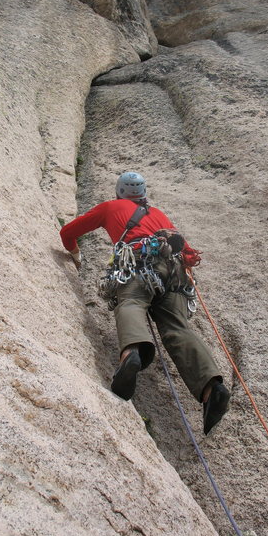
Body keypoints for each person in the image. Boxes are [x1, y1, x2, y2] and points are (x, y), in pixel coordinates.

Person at [60, 171, 230, 434]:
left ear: (119, 191)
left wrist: (74, 253)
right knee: (177, 327)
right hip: (174, 272)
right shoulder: (158, 214)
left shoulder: (110, 207)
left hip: (138, 261)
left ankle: (132, 355)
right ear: (143, 193)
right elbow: (185, 250)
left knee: (131, 303)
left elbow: (68, 231)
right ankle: (211, 388)